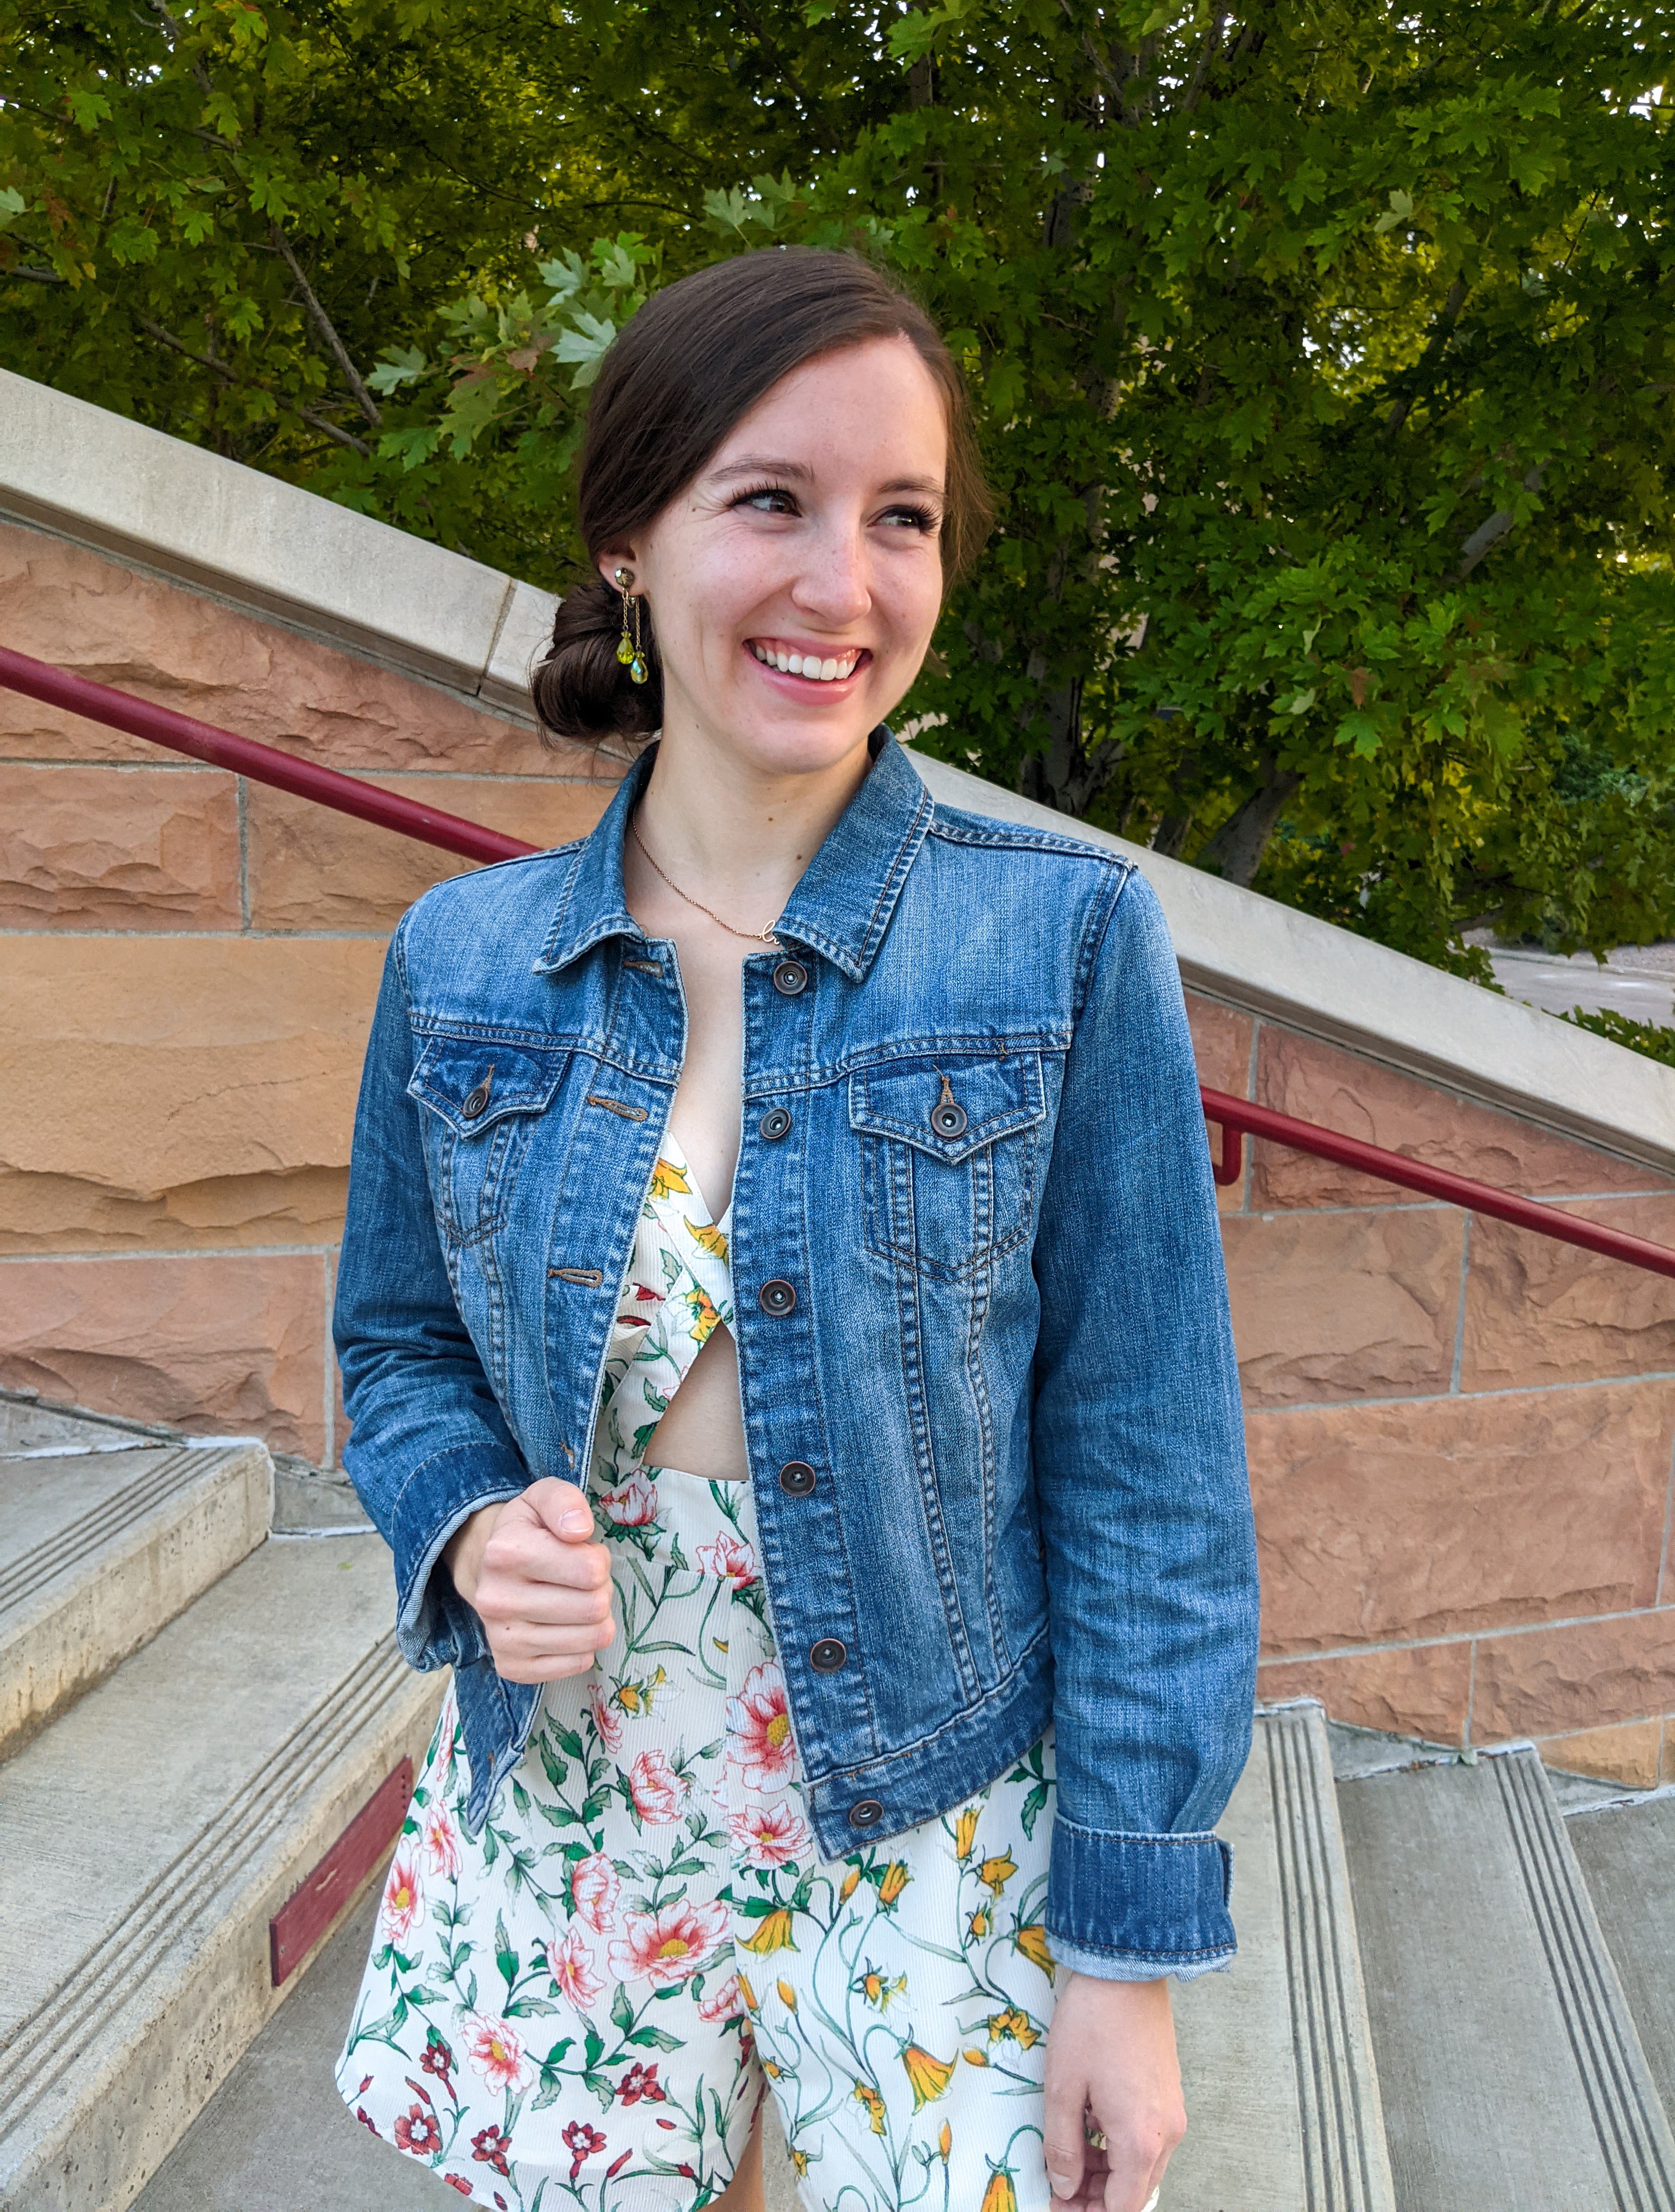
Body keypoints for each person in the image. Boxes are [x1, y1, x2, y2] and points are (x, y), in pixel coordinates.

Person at [332, 244, 1258, 2212]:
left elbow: (1151, 1479)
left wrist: (1128, 1954)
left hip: (935, 1814)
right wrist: (471, 1529)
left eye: (900, 519)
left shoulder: (1065, 944)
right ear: (626, 542)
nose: (846, 585)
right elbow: (396, 1351)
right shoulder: (465, 959)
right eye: (772, 500)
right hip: (578, 1805)